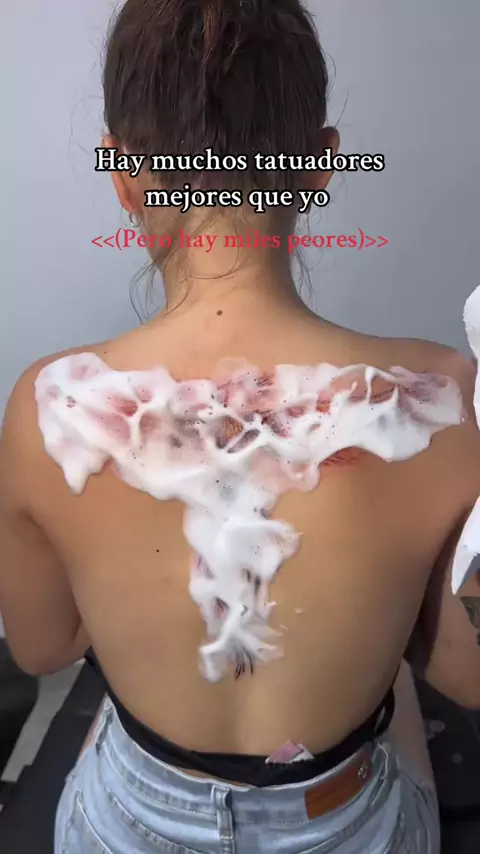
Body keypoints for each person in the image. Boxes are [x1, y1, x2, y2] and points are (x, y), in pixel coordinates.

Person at [1, 1, 480, 851]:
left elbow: (41, 649)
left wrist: (134, 603)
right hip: (344, 824)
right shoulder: (443, 398)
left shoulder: (50, 404)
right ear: (321, 166)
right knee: (395, 704)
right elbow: (469, 676)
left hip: (129, 822)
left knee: (113, 729)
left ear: (122, 176)